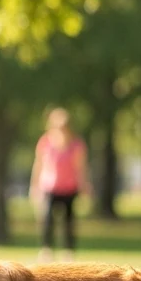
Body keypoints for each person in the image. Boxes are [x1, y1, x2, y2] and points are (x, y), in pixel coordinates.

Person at [30, 108, 91, 262]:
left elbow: (81, 167)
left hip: (69, 187)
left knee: (68, 222)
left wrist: (85, 185)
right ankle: (46, 250)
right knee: (47, 220)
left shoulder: (76, 145)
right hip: (49, 187)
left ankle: (68, 251)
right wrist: (34, 185)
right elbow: (38, 164)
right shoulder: (45, 142)